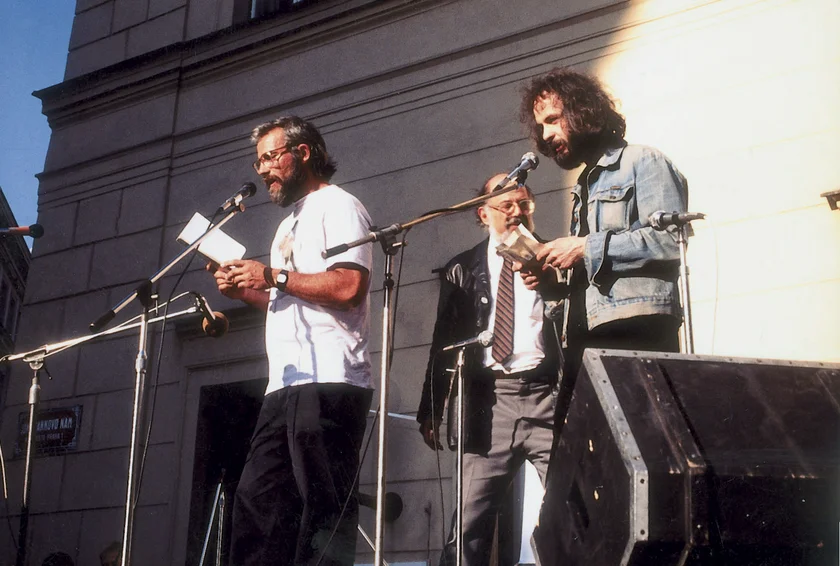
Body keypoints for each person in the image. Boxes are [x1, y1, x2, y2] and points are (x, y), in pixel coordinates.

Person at [208, 116, 374, 566]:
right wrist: (244, 289)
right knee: (257, 507)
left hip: (330, 381)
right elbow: (287, 301)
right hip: (283, 385)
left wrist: (272, 274)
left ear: (302, 153)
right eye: (257, 161)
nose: (262, 170)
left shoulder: (340, 206)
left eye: (269, 157)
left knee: (323, 514)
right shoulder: (287, 226)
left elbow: (346, 287)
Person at [416, 174, 563, 566]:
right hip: (490, 402)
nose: (517, 212)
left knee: (573, 509)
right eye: (506, 205)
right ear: (484, 214)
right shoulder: (461, 268)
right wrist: (432, 407)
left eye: (524, 204)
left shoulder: (554, 256)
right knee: (467, 528)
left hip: (547, 396)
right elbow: (443, 341)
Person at [518, 67, 688, 382]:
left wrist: (584, 247)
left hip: (635, 332)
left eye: (553, 120)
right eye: (541, 127)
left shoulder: (643, 161)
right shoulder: (583, 186)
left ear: (582, 111)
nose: (545, 136)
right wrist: (550, 281)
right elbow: (594, 278)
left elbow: (671, 242)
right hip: (586, 339)